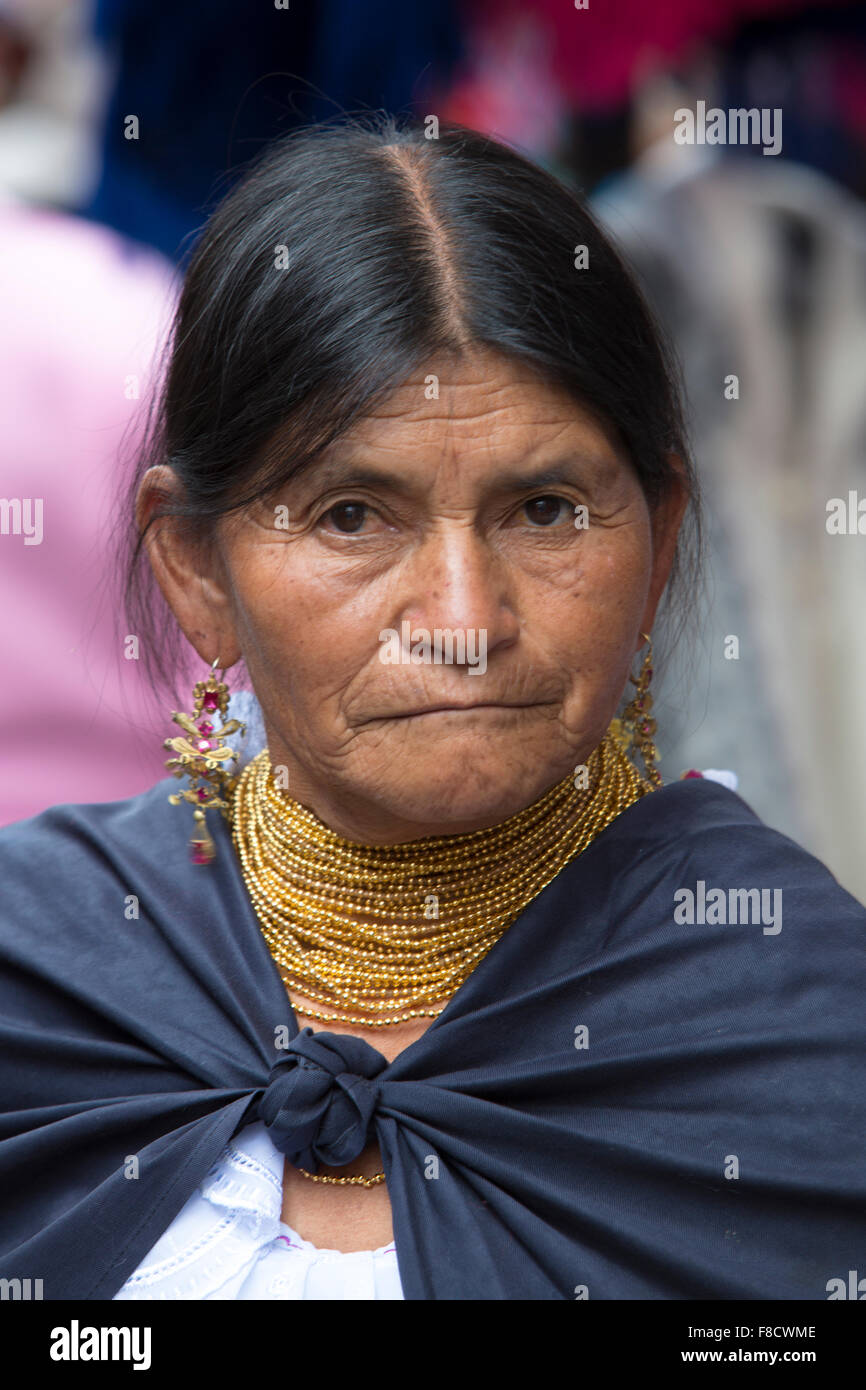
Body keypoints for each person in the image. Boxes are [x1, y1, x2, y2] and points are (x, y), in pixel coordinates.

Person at [1, 115, 863, 1302]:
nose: (462, 616)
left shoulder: (795, 1021)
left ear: (658, 541)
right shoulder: (38, 969)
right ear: (197, 570)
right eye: (353, 514)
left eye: (545, 509)